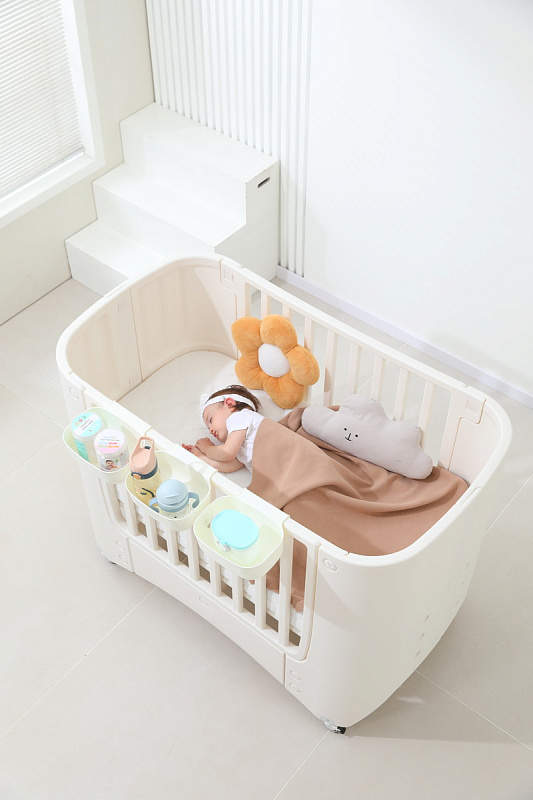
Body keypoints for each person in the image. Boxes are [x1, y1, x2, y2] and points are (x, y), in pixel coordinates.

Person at [182, 384, 263, 473]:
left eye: (211, 420)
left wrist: (207, 448)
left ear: (230, 404)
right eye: (208, 427)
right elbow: (229, 467)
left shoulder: (240, 416)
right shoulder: (241, 446)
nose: (210, 430)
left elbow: (227, 453)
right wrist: (200, 456)